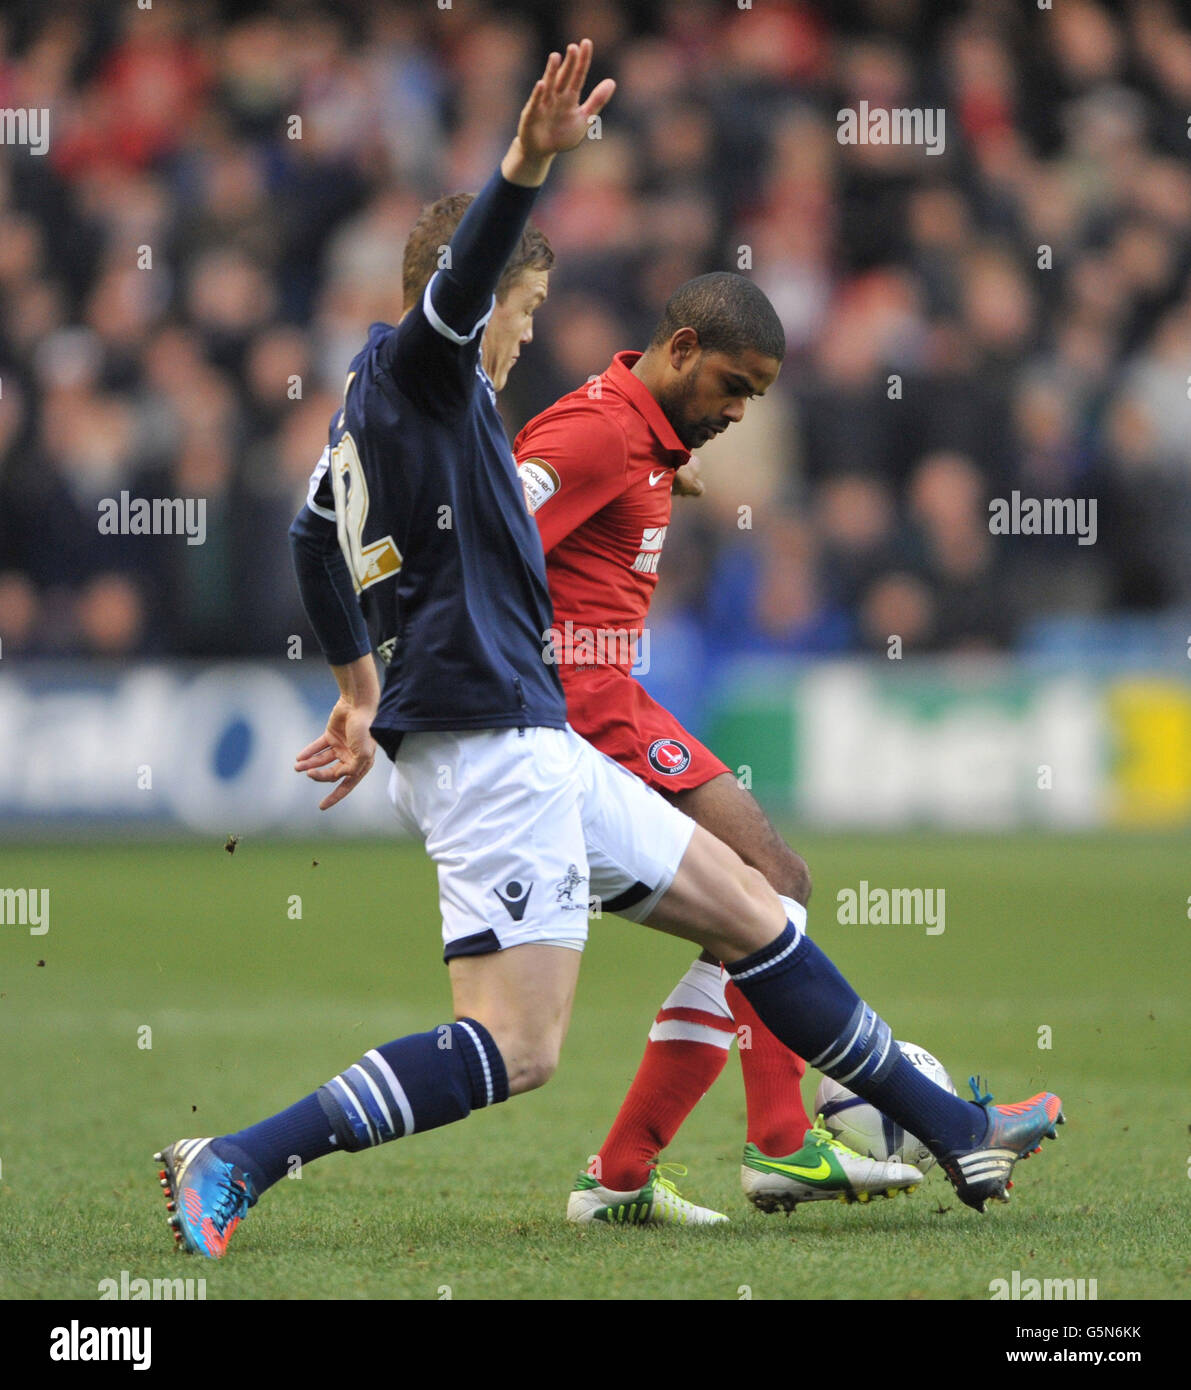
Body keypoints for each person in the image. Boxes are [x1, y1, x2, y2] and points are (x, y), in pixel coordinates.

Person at [153, 41, 1062, 1259]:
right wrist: (527, 162)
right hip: (491, 745)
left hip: (524, 734)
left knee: (757, 912)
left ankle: (952, 1128)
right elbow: (465, 290)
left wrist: (356, 689)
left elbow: (313, 536)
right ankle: (236, 1158)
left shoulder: (364, 412)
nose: (524, 341)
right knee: (514, 1050)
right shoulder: (426, 373)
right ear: (469, 303)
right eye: (520, 315)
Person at [513, 276, 919, 1221]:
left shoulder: (640, 435)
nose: (738, 412)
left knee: (765, 892)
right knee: (769, 888)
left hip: (616, 700)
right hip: (579, 714)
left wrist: (661, 472)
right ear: (682, 347)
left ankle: (625, 1175)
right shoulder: (593, 435)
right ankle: (771, 1144)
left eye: (757, 398)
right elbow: (490, 549)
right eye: (732, 386)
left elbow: (609, 478)